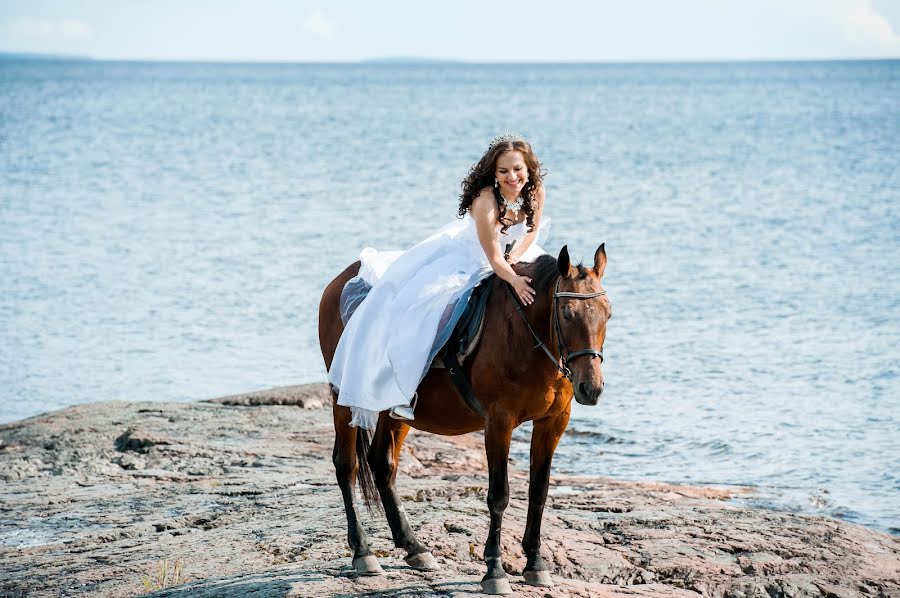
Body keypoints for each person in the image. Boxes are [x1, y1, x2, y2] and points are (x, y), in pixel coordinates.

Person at [328, 133, 550, 429]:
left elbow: (532, 230)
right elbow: (492, 258)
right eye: (504, 171)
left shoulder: (535, 191)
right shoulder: (485, 201)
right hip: (472, 258)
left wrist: (517, 258)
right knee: (428, 309)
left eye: (518, 169)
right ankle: (405, 392)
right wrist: (514, 280)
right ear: (493, 174)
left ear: (529, 168)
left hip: (514, 254)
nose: (513, 177)